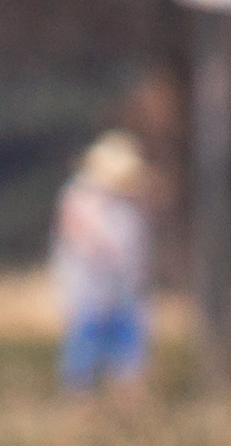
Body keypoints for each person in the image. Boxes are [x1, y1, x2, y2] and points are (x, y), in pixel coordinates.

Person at [51, 134, 154, 397]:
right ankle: (83, 413)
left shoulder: (128, 203)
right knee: (83, 368)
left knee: (129, 367)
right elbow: (87, 241)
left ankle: (123, 416)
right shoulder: (79, 197)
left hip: (126, 295)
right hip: (90, 296)